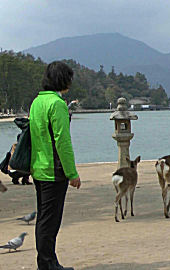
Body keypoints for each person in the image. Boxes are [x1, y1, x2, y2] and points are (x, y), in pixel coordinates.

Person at [30, 61, 81, 270]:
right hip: (54, 170)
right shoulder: (57, 104)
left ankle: (47, 261)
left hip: (38, 168)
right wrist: (72, 173)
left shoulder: (36, 102)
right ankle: (48, 264)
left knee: (43, 217)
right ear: (63, 80)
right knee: (50, 220)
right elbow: (62, 141)